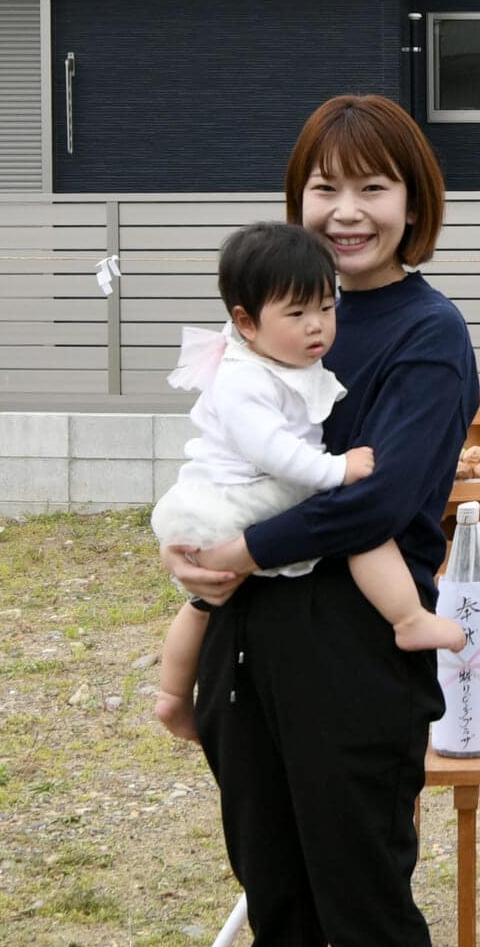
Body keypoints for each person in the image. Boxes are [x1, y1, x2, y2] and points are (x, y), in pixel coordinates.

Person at [163, 94, 479, 947]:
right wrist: (200, 548)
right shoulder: (274, 317)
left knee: (362, 896)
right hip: (244, 641)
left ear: (412, 202)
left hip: (352, 649)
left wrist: (245, 545)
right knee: (276, 900)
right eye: (325, 188)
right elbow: (216, 449)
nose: (346, 212)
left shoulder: (426, 333)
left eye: (373, 188)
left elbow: (385, 497)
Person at [150, 220, 463, 743]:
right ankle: (408, 617)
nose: (316, 326)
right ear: (246, 323)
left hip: (215, 502)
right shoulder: (244, 378)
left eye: (326, 307)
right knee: (362, 521)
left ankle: (173, 698)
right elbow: (274, 450)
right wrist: (336, 469)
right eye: (297, 314)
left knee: (205, 602)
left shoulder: (277, 350)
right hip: (237, 495)